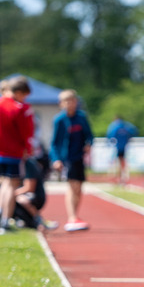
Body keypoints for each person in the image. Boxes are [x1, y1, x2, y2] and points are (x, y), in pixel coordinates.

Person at [0, 76, 34, 234]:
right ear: (19, 92)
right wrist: (28, 149)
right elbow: (25, 132)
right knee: (12, 185)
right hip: (14, 151)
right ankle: (5, 222)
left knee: (5, 183)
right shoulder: (19, 108)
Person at [50, 89, 93, 231]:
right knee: (72, 185)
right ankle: (72, 217)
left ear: (76, 102)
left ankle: (75, 215)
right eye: (66, 101)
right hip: (66, 158)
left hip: (78, 157)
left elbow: (90, 135)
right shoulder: (59, 120)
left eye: (72, 101)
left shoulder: (81, 117)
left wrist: (89, 144)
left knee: (79, 187)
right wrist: (56, 159)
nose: (70, 104)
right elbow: (54, 143)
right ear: (61, 104)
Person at [14, 154, 58, 230]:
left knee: (21, 199)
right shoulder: (15, 163)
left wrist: (13, 193)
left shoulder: (29, 164)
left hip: (36, 196)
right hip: (28, 194)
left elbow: (29, 188)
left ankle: (39, 220)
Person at [106, 115, 138, 184]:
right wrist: (128, 139)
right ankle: (124, 177)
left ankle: (119, 177)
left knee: (118, 162)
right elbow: (134, 132)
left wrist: (109, 142)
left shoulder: (115, 127)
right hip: (124, 147)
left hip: (117, 147)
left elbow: (110, 135)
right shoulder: (127, 126)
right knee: (123, 162)